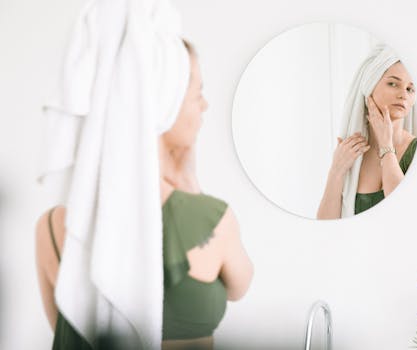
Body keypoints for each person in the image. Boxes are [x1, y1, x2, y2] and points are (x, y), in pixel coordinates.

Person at [35, 1, 253, 349]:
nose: (204, 105)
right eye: (197, 92)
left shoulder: (52, 226)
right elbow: (240, 287)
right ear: (163, 104)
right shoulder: (212, 219)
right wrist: (191, 189)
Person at [317, 45, 417, 219]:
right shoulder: (351, 151)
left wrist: (387, 147)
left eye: (410, 88)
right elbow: (325, 224)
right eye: (393, 83)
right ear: (369, 86)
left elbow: (406, 215)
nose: (403, 94)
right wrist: (336, 171)